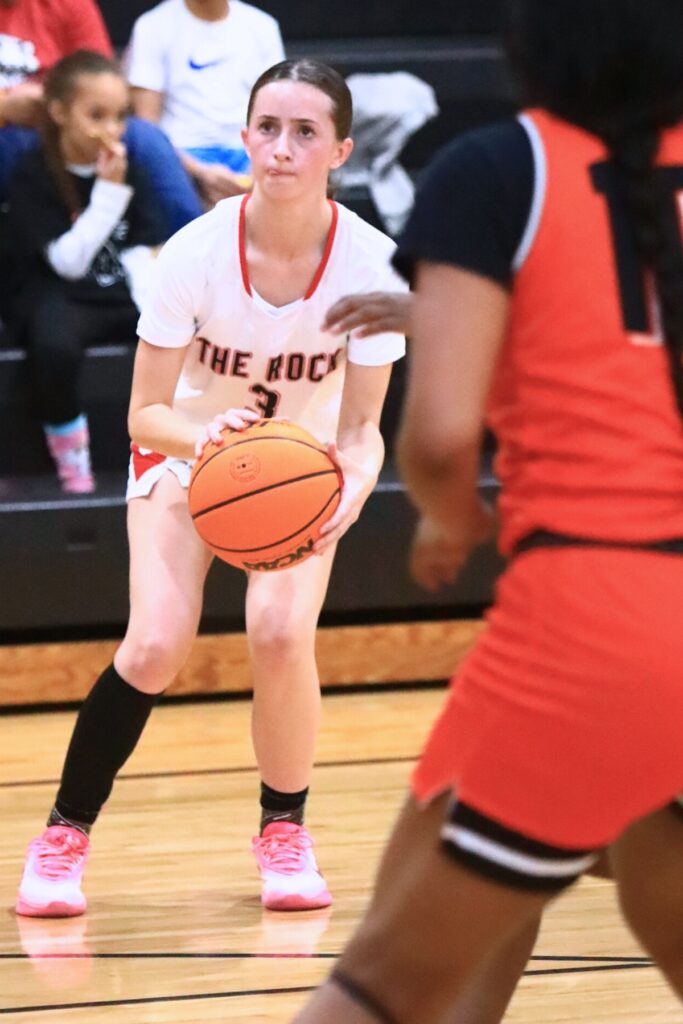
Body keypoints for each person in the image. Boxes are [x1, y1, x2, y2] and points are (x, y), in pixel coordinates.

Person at [290, 1, 683, 1021]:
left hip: (609, 605)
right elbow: (623, 320)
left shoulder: (501, 164)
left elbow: (436, 438)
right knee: (653, 884)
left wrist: (450, 514)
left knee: (380, 987)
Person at [14, 57, 406, 917]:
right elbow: (143, 415)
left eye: (305, 132)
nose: (282, 148)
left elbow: (360, 432)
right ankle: (62, 838)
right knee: (155, 643)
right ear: (243, 139)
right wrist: (206, 437)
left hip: (300, 469)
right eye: (267, 128)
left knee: (276, 629)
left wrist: (345, 494)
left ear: (339, 148)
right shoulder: (195, 251)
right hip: (185, 452)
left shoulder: (372, 267)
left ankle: (284, 830)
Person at [5, 50, 169, 493]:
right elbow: (66, 263)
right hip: (54, 293)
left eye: (119, 117)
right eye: (96, 115)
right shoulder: (32, 172)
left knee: (174, 335)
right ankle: (74, 467)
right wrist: (108, 195)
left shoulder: (132, 166)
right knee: (54, 347)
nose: (111, 130)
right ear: (58, 112)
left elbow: (144, 245)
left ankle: (162, 452)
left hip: (113, 292)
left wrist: (151, 298)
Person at [0, 0, 202, 231]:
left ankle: (192, 243)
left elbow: (104, 80)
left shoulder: (70, 4)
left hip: (70, 120)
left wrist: (68, 108)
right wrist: (4, 106)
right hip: (8, 132)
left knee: (145, 137)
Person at [126, 0, 285, 206]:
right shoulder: (151, 27)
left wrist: (255, 172)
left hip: (250, 156)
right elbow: (147, 129)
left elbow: (280, 114)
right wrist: (199, 173)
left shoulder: (263, 27)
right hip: (181, 159)